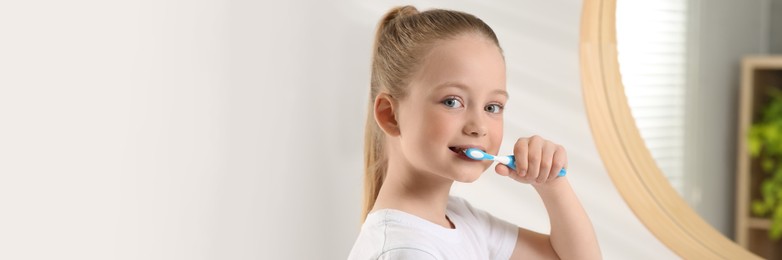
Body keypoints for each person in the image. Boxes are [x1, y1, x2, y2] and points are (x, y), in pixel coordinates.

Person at [348, 5, 601, 260]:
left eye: (492, 107)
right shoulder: (407, 251)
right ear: (390, 115)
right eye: (452, 101)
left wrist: (551, 184)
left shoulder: (458, 219)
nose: (478, 127)